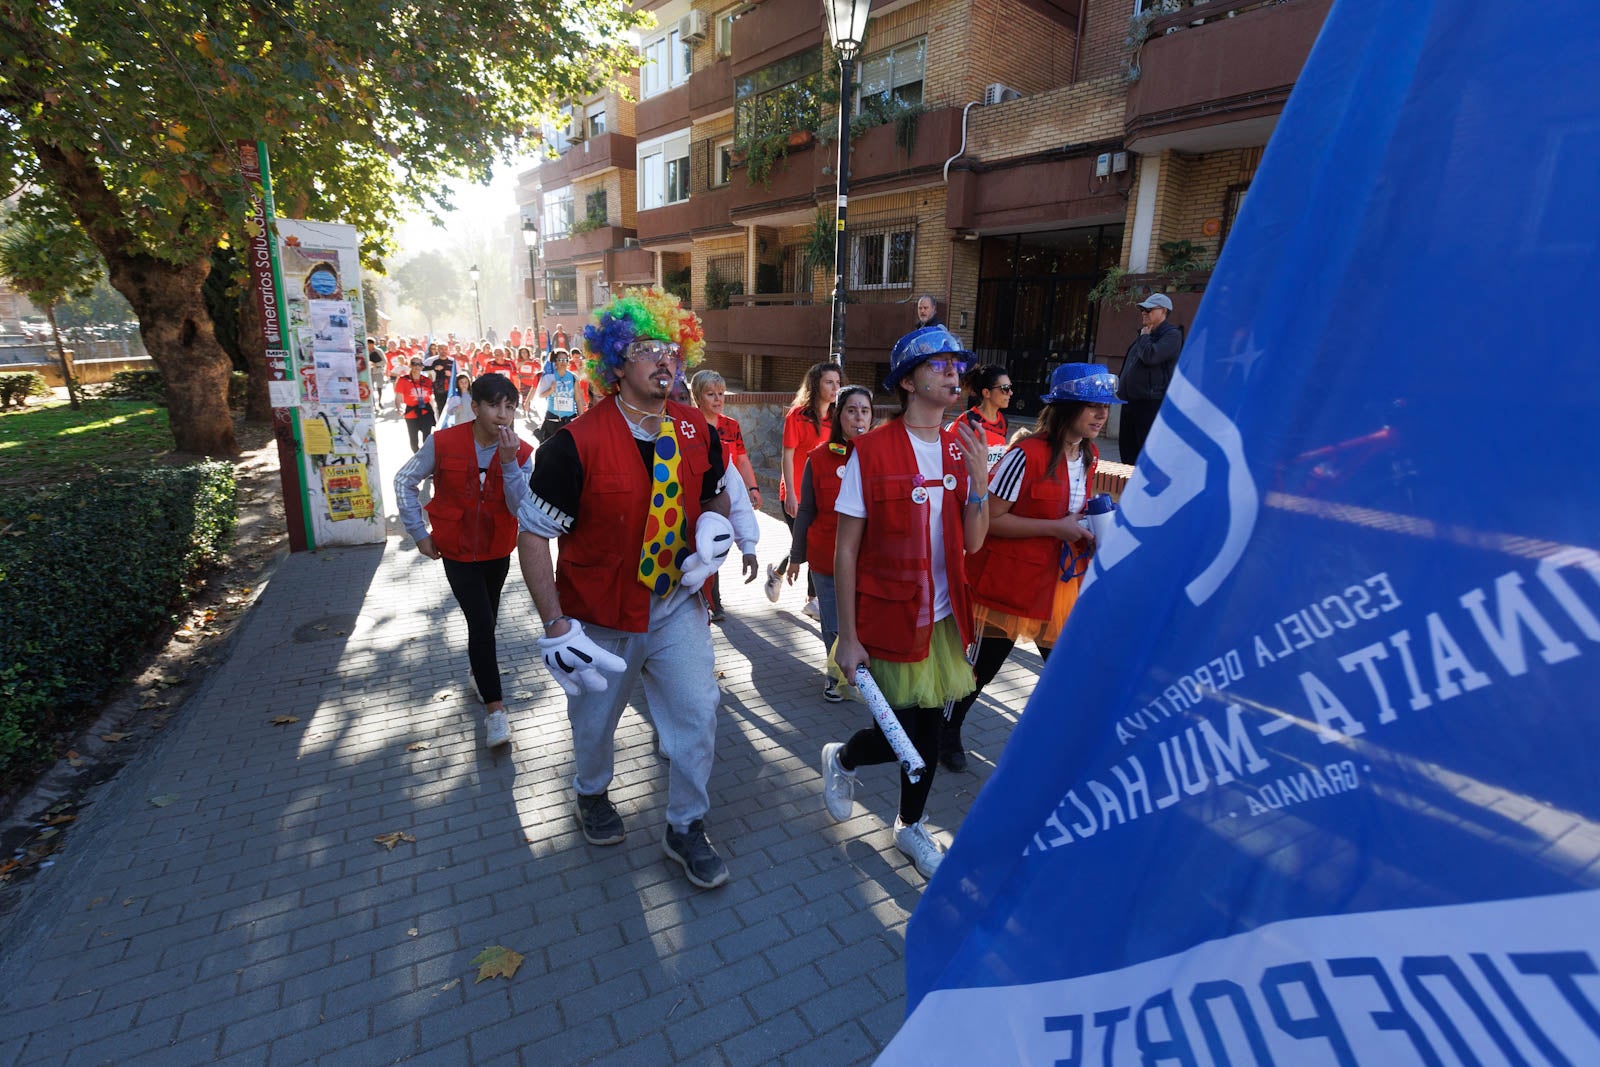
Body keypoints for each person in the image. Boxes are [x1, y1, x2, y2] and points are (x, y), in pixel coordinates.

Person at [516, 286, 737, 891]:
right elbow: (532, 536)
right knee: (594, 724)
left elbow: (716, 492)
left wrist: (716, 528)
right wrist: (555, 624)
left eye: (670, 345)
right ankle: (591, 791)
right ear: (614, 363)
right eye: (645, 348)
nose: (664, 359)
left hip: (673, 605)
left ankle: (685, 826)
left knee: (699, 711)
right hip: (598, 617)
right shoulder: (573, 446)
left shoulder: (699, 430)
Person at [820, 325, 991, 879]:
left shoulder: (959, 445)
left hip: (943, 619)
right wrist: (847, 634)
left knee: (925, 733)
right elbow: (845, 551)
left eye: (955, 364)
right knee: (905, 733)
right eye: (938, 363)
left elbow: (973, 541)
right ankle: (843, 758)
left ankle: (909, 825)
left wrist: (980, 480)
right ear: (909, 379)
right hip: (888, 616)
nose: (952, 372)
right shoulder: (870, 451)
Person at [940, 363, 1122, 772]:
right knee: (979, 672)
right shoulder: (1026, 454)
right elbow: (992, 520)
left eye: (1105, 408)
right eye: (1092, 406)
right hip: (1010, 583)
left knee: (1068, 673)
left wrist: (1090, 526)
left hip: (1059, 583)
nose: (1101, 415)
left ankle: (1067, 750)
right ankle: (944, 732)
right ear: (1064, 408)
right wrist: (1057, 527)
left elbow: (1071, 511)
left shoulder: (1089, 456)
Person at [395, 374, 534, 749]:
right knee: (482, 622)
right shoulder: (444, 442)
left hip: (498, 549)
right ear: (475, 407)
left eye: (510, 407)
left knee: (488, 615)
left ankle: (478, 673)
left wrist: (508, 464)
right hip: (455, 551)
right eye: (494, 405)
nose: (502, 415)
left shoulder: (522, 451)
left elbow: (522, 506)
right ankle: (496, 710)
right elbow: (404, 480)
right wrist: (418, 532)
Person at [787, 384, 874, 701]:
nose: (858, 417)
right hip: (827, 557)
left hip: (870, 559)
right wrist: (796, 557)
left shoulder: (878, 456)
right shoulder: (819, 458)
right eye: (851, 410)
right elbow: (806, 509)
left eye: (865, 410)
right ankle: (835, 675)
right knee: (835, 624)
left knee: (866, 621)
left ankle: (863, 670)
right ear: (839, 416)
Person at [767, 361, 843, 613]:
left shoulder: (836, 418)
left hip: (824, 496)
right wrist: (790, 493)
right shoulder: (797, 415)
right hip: (797, 494)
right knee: (809, 545)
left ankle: (779, 575)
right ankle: (813, 599)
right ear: (815, 384)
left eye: (838, 382)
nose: (835, 388)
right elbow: (787, 456)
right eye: (829, 382)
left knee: (814, 545)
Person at [689, 369, 762, 623]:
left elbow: (737, 466)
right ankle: (709, 604)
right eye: (711, 394)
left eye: (721, 393)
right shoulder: (684, 429)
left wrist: (748, 545)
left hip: (715, 510)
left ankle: (711, 602)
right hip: (681, 522)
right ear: (697, 397)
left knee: (712, 552)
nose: (718, 399)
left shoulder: (730, 427)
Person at [1117, 293, 1184, 466]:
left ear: (1163, 311)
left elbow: (1151, 357)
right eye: (1142, 309)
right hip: (1130, 402)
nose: (1144, 313)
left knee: (1145, 451)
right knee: (1126, 449)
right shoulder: (1145, 334)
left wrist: (1145, 337)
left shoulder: (1172, 335)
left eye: (1148, 309)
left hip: (1150, 403)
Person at [958, 364, 1012, 473]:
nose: (1010, 393)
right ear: (986, 393)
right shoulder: (967, 420)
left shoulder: (1003, 421)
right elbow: (952, 459)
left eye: (1010, 387)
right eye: (1005, 388)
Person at [535, 349, 588, 442]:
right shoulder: (549, 376)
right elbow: (540, 395)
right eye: (560, 360)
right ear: (555, 361)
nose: (563, 362)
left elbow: (578, 399)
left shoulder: (573, 377)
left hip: (569, 418)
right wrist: (551, 389)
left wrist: (582, 419)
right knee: (550, 446)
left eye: (565, 360)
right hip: (553, 417)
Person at [395, 356, 437, 453]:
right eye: (414, 364)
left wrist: (434, 412)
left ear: (422, 367)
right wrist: (398, 408)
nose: (417, 366)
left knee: (427, 439)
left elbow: (430, 397)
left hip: (426, 411)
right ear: (410, 365)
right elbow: (398, 396)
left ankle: (425, 460)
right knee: (414, 442)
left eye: (419, 364)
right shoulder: (403, 380)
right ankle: (416, 457)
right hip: (411, 412)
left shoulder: (427, 380)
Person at [514, 345, 543, 419]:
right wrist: (525, 361)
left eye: (525, 352)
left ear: (528, 353)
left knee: (530, 397)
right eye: (522, 352)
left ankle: (528, 409)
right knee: (524, 397)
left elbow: (539, 368)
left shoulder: (533, 360)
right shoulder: (519, 361)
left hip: (532, 383)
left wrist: (533, 374)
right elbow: (516, 367)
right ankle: (525, 410)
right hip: (523, 382)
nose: (524, 354)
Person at [365, 337, 387, 414]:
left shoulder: (378, 351)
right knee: (371, 389)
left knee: (379, 388)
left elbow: (384, 361)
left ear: (373, 344)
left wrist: (376, 364)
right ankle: (373, 404)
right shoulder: (365, 351)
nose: (368, 345)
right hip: (369, 373)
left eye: (369, 343)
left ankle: (380, 402)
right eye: (367, 343)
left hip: (378, 371)